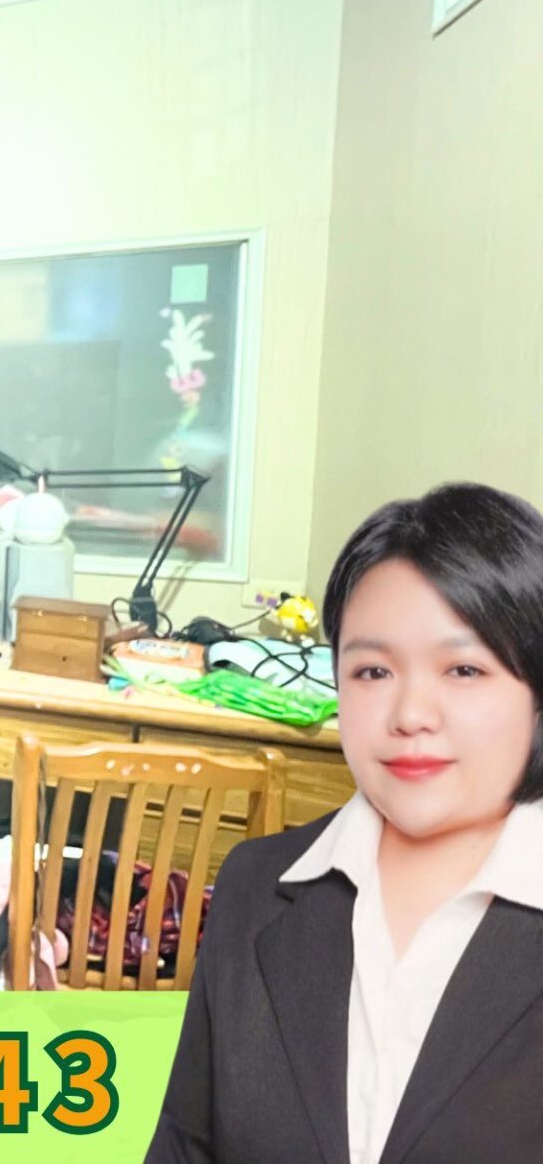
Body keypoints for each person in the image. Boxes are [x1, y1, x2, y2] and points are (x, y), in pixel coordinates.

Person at [147, 482, 543, 1164]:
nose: (410, 714)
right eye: (373, 670)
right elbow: (185, 1144)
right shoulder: (254, 885)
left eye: (463, 669)